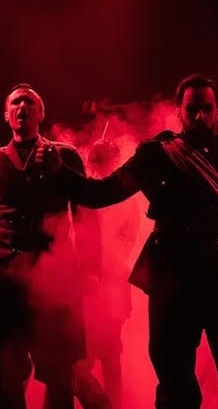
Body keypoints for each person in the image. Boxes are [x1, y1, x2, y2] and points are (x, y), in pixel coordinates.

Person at [41, 74, 218, 409]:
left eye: (207, 109)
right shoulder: (156, 154)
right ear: (179, 111)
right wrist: (59, 172)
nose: (200, 116)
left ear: (217, 111)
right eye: (192, 109)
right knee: (174, 383)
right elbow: (101, 193)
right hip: (173, 275)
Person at [0, 83, 102, 409]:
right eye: (16, 102)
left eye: (30, 102)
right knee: (6, 371)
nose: (22, 107)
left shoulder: (65, 156)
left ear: (41, 113)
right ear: (6, 115)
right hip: (5, 278)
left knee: (60, 372)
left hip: (55, 275)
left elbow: (86, 213)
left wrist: (90, 269)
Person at [73, 137, 138, 409]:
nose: (99, 166)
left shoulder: (125, 199)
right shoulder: (83, 193)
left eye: (104, 161)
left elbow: (128, 238)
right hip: (83, 283)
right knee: (80, 356)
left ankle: (114, 404)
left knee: (111, 354)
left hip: (111, 283)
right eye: (96, 160)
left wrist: (109, 263)